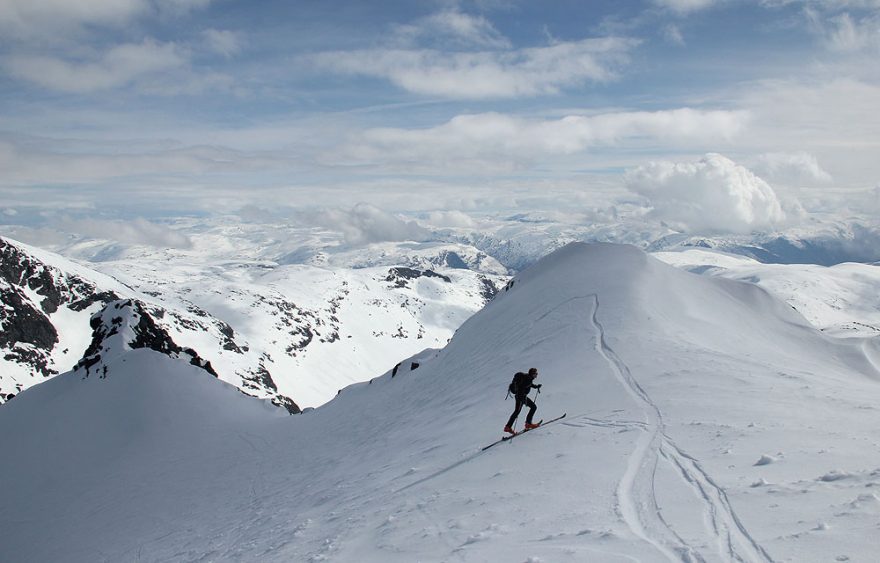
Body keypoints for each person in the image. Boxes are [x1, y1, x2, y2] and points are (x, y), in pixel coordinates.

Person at [504, 367, 542, 434]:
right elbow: (524, 386)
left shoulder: (528, 378)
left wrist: (536, 386)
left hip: (519, 396)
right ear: (532, 374)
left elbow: (529, 385)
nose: (536, 375)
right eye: (536, 373)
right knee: (533, 407)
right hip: (521, 397)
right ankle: (528, 423)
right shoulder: (528, 379)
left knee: (517, 411)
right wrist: (522, 397)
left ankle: (508, 427)